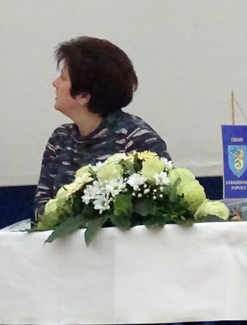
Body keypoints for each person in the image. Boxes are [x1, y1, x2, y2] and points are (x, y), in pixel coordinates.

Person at [34, 36, 169, 217]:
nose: (55, 83)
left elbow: (160, 209)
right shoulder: (60, 139)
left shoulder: (136, 138)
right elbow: (41, 210)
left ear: (83, 95)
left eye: (63, 78)